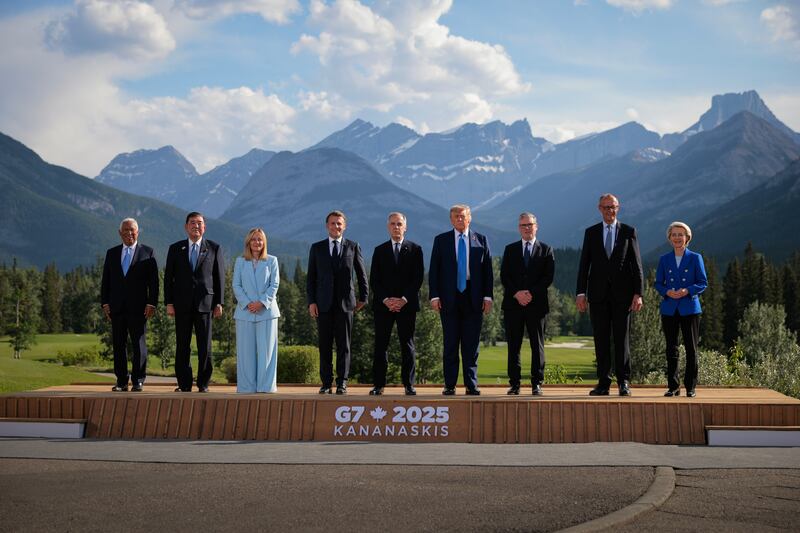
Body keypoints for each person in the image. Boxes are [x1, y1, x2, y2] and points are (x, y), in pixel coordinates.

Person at [576, 193, 643, 397]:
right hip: (597, 296)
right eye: (606, 207)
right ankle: (603, 383)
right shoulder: (591, 232)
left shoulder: (628, 232)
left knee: (622, 340)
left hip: (623, 296)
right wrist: (581, 293)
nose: (609, 211)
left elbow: (636, 265)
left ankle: (624, 382)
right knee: (601, 340)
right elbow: (584, 265)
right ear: (599, 209)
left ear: (618, 208)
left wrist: (638, 293)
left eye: (613, 207)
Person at [429, 204, 493, 395]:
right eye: (455, 216)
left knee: (471, 345)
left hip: (473, 298)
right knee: (450, 344)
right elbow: (434, 271)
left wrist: (488, 296)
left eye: (462, 216)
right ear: (451, 219)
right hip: (449, 298)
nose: (459, 219)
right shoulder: (441, 240)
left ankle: (471, 385)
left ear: (469, 218)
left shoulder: (480, 240)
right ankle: (449, 385)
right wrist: (434, 295)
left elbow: (488, 271)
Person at [307, 210, 368, 395]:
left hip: (346, 304)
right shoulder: (316, 248)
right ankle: (326, 383)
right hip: (323, 304)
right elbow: (311, 278)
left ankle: (342, 382)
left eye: (339, 223)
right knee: (324, 345)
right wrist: (311, 302)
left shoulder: (352, 246)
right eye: (333, 223)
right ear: (327, 226)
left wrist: (363, 298)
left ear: (344, 226)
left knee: (344, 345)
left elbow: (361, 273)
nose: (336, 226)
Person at [164, 212, 225, 393]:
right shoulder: (175, 248)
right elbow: (169, 278)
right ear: (186, 226)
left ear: (204, 227)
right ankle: (184, 383)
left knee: (204, 345)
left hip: (206, 303)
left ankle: (203, 383)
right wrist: (169, 302)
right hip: (181, 304)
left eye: (199, 223)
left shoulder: (214, 248)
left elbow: (219, 277)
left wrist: (219, 302)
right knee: (182, 344)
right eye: (192, 223)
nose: (196, 226)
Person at [100, 218, 158, 392]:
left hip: (139, 308)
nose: (129, 233)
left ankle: (138, 380)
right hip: (116, 308)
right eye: (125, 230)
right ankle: (121, 381)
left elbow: (154, 283)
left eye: (132, 230)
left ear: (138, 232)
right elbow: (106, 281)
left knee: (139, 345)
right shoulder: (112, 253)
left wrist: (152, 303)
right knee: (118, 345)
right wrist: (105, 303)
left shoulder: (148, 252)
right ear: (120, 233)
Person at [369, 212, 424, 396]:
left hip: (407, 305)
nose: (396, 227)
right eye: (392, 224)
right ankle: (378, 385)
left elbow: (417, 279)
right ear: (387, 227)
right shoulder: (379, 250)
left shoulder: (415, 249)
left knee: (407, 345)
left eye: (399, 224)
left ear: (405, 227)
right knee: (381, 345)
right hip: (383, 306)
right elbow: (374, 280)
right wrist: (387, 300)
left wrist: (403, 300)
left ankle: (409, 385)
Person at [500, 213, 555, 396]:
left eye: (530, 225)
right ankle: (514, 384)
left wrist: (530, 293)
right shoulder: (510, 249)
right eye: (523, 225)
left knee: (536, 345)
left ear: (536, 226)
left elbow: (548, 278)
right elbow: (504, 276)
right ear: (518, 228)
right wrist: (517, 293)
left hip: (536, 305)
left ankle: (536, 383)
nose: (526, 228)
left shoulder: (546, 250)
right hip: (513, 304)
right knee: (513, 346)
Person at [654, 222, 707, 398]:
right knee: (671, 349)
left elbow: (702, 282)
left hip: (690, 308)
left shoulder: (695, 257)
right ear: (669, 238)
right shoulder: (664, 259)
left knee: (691, 349)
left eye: (681, 234)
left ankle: (690, 387)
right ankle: (673, 387)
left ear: (687, 237)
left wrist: (687, 290)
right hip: (669, 308)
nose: (677, 237)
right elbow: (658, 283)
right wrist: (667, 291)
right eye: (674, 234)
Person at [232, 228, 280, 394]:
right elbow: (236, 285)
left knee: (267, 352)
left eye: (260, 239)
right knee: (245, 353)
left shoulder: (272, 260)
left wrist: (261, 303)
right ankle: (246, 387)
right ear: (248, 242)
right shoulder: (240, 261)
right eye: (253, 239)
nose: (257, 242)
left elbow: (274, 285)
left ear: (264, 242)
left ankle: (266, 387)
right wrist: (247, 303)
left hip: (267, 312)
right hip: (245, 312)